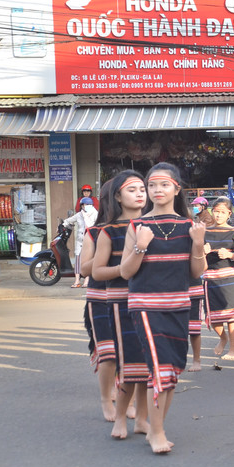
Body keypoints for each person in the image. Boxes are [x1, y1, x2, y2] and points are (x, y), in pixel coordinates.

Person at [119, 162, 207, 454]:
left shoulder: (189, 227)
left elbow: (197, 272)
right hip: (145, 307)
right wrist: (141, 246)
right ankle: (156, 432)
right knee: (160, 369)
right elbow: (126, 272)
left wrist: (198, 244)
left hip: (179, 306)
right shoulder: (137, 226)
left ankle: (155, 428)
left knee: (172, 371)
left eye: (164, 185)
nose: (157, 190)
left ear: (176, 189)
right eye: (152, 185)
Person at [91, 171, 150, 440]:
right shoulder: (108, 231)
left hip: (149, 302)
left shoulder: (152, 225)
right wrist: (126, 268)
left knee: (147, 364)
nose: (139, 194)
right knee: (125, 361)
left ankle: (142, 418)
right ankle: (116, 411)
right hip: (119, 302)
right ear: (117, 196)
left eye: (142, 189)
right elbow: (97, 271)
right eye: (132, 190)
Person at [79, 182, 115, 421]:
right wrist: (105, 252)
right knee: (109, 351)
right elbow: (84, 269)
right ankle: (107, 396)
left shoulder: (141, 229)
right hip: (101, 296)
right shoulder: (94, 232)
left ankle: (126, 395)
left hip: (132, 296)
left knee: (131, 350)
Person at [203, 197, 234, 360]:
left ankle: (233, 349)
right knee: (214, 317)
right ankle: (223, 338)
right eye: (216, 211)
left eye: (222, 212)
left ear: (229, 214)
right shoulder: (205, 232)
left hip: (230, 278)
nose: (219, 215)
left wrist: (230, 255)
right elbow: (197, 259)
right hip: (211, 278)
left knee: (232, 316)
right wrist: (202, 252)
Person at [63, 198, 98, 288]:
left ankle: (87, 280)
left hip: (90, 240)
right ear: (82, 206)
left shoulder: (95, 214)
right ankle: (77, 280)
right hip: (80, 240)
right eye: (85, 205)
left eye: (88, 205)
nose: (86, 206)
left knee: (88, 260)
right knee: (78, 260)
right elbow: (68, 220)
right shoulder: (79, 215)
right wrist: (62, 225)